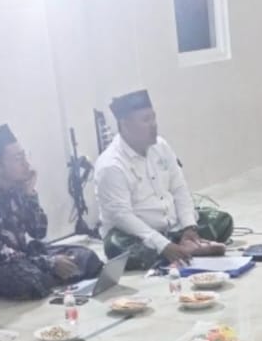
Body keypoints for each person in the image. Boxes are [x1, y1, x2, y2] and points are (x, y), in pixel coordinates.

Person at [0, 123, 102, 299]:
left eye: (24, 156)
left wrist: (30, 193)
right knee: (30, 280)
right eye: (18, 159)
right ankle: (54, 277)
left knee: (87, 257)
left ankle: (54, 277)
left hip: (24, 257)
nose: (26, 164)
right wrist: (50, 263)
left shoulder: (17, 187)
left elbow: (38, 232)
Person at [95, 89, 234, 272]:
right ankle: (181, 250)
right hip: (136, 235)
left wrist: (189, 228)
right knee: (115, 247)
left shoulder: (160, 146)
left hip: (173, 228)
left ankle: (185, 246)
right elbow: (123, 217)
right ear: (125, 124)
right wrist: (163, 245)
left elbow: (179, 188)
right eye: (145, 120)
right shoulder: (111, 165)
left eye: (153, 118)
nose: (153, 125)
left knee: (223, 221)